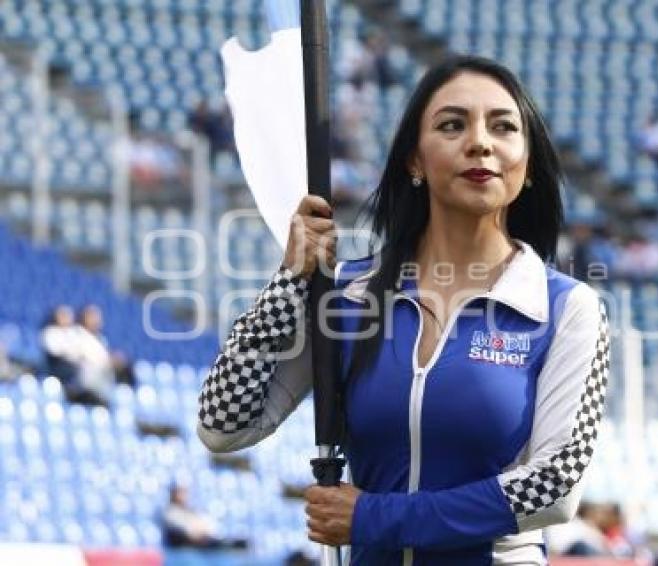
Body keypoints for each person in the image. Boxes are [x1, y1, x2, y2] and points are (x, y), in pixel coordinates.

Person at [197, 55, 610, 565]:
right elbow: (223, 423)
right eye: (452, 125)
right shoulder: (346, 295)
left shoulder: (567, 307)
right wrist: (289, 282)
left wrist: (374, 518)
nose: (480, 141)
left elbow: (554, 486)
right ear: (414, 159)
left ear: (526, 166)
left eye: (503, 127)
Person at [161, 484, 248, 550]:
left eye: (184, 493)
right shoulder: (171, 511)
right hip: (185, 545)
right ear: (174, 494)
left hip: (201, 543)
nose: (183, 496)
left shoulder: (191, 511)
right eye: (180, 493)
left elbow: (207, 527)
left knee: (234, 544)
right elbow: (182, 531)